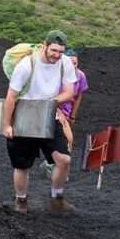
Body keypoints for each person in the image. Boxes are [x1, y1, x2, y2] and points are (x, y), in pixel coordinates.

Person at [4, 29, 77, 213]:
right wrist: (7, 125)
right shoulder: (27, 65)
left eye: (61, 51)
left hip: (48, 115)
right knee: (22, 164)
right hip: (25, 115)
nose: (57, 55)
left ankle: (56, 197)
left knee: (64, 160)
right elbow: (11, 97)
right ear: (44, 45)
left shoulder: (65, 63)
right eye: (53, 50)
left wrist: (51, 103)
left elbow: (70, 92)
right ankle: (21, 200)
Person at [41, 48, 89, 178]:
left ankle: (50, 163)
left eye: (75, 63)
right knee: (68, 138)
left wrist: (73, 115)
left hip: (67, 112)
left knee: (58, 140)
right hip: (56, 110)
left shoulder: (80, 76)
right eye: (70, 63)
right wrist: (57, 112)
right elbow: (49, 94)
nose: (73, 66)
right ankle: (62, 172)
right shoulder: (57, 75)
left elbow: (78, 96)